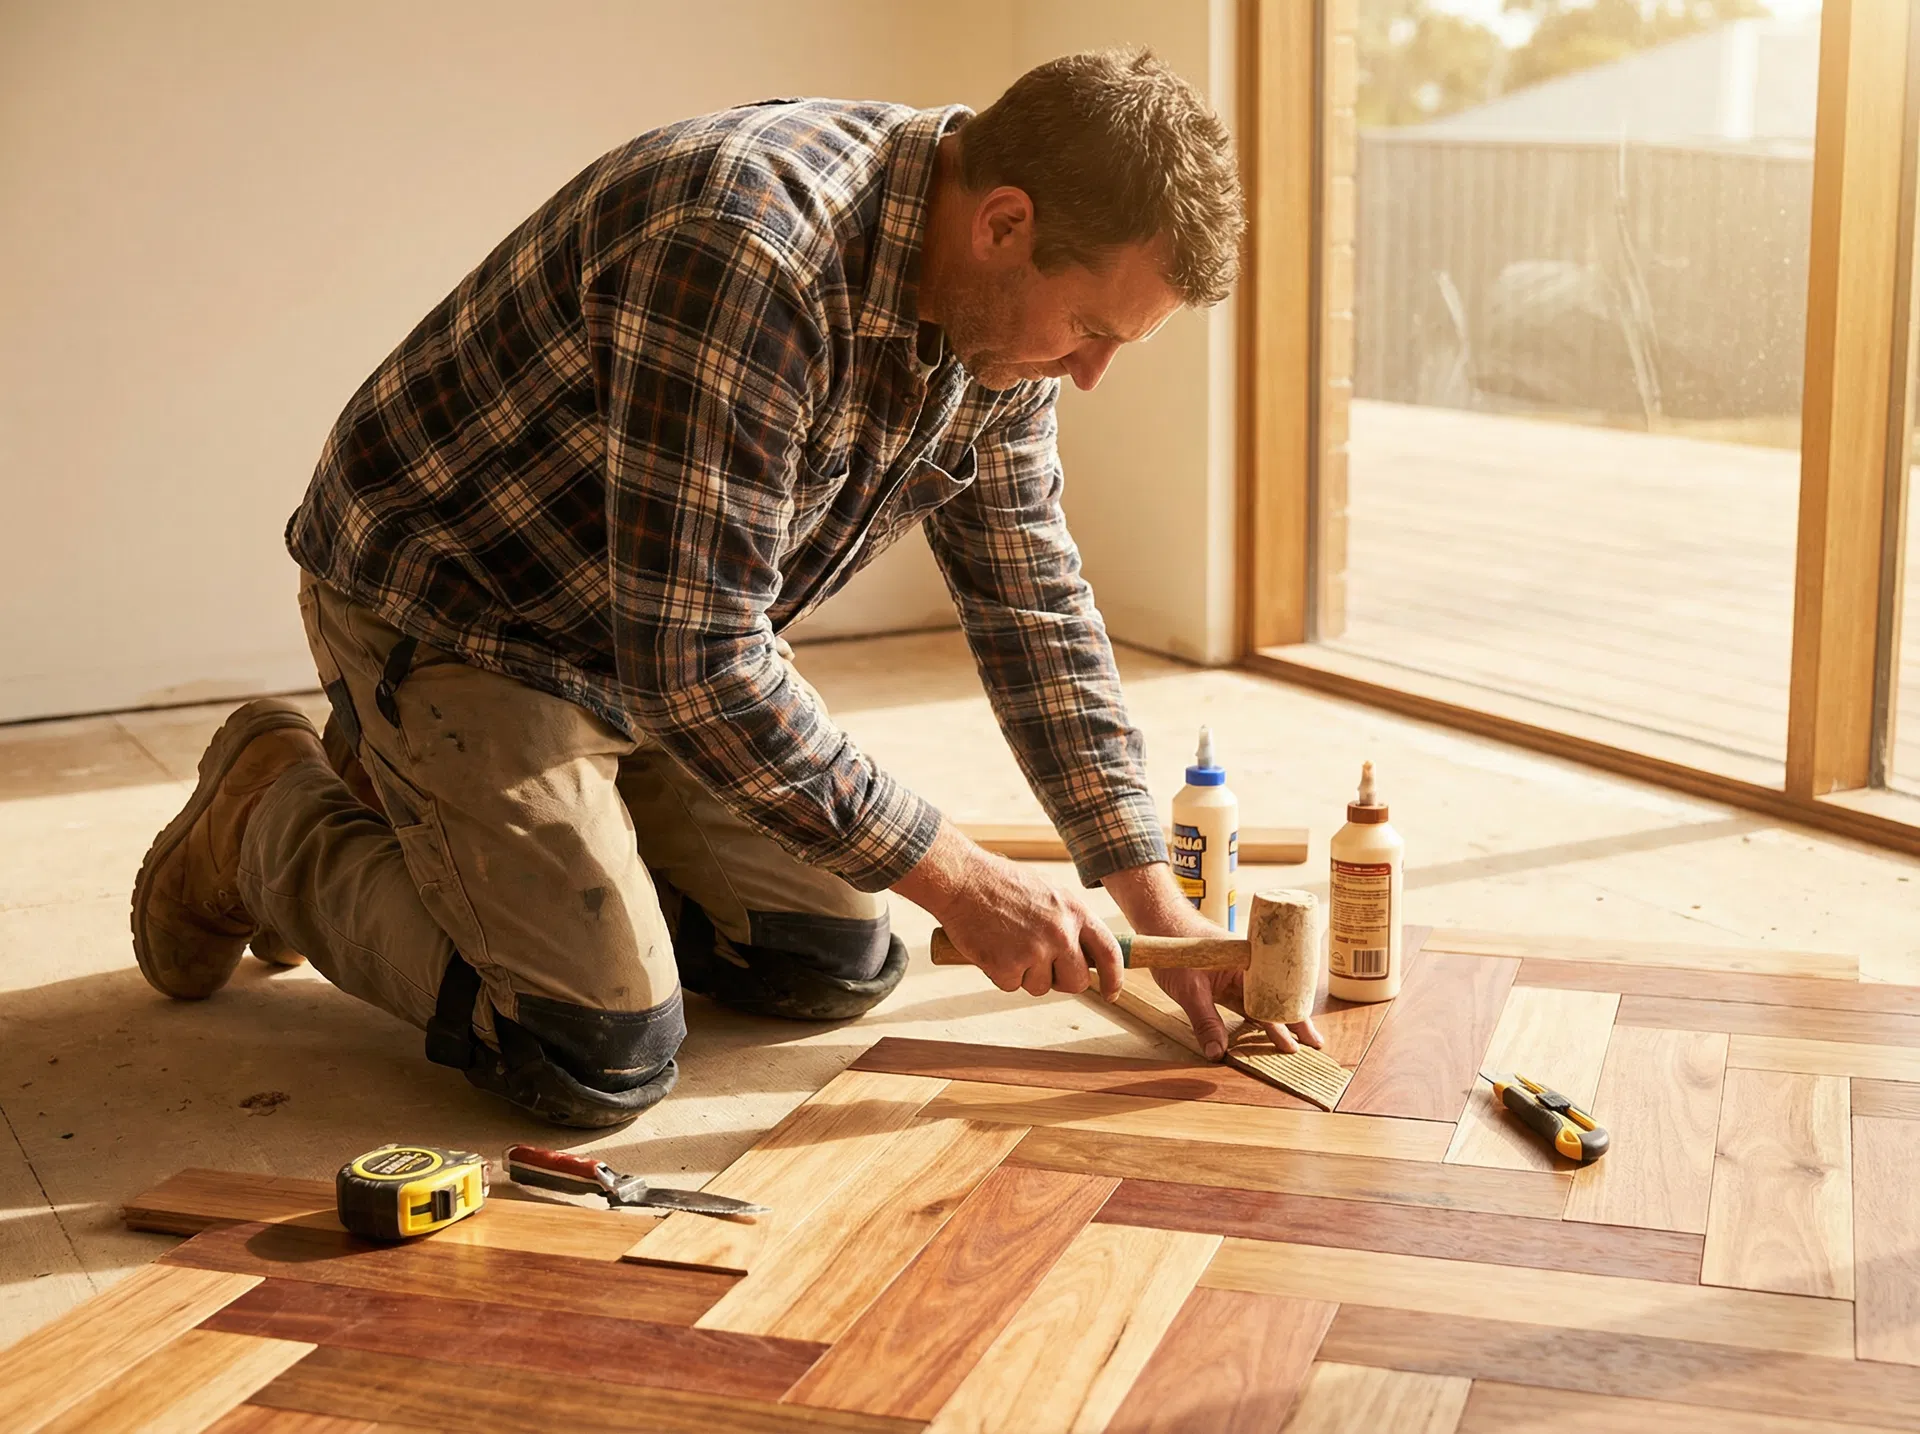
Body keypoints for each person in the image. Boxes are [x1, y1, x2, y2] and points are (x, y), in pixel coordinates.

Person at [130, 48, 1322, 1129]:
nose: (1091, 375)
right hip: (458, 611)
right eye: (1089, 332)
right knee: (592, 1049)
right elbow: (700, 663)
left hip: (643, 633)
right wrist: (962, 875)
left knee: (828, 959)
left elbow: (1031, 602)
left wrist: (1156, 901)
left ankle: (479, 820)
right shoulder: (748, 245)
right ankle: (267, 813)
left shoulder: (995, 321)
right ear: (1005, 223)